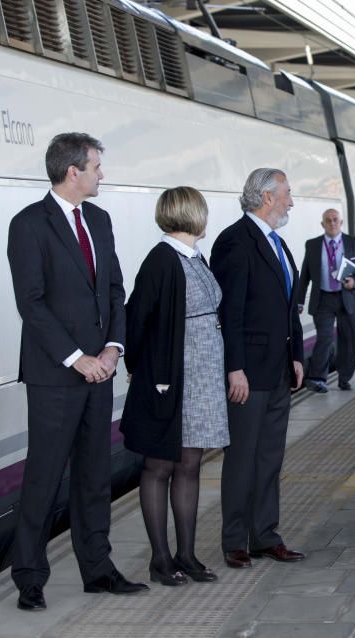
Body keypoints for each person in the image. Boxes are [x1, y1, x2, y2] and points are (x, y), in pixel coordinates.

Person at [6, 132, 147, 611]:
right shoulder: (29, 225)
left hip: (99, 372)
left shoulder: (100, 221)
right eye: (96, 166)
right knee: (43, 477)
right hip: (55, 376)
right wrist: (76, 357)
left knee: (94, 477)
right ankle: (29, 577)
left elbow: (113, 289)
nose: (101, 174)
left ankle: (98, 569)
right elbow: (32, 303)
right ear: (73, 172)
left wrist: (111, 349)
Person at [120, 187, 228, 586]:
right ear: (191, 213)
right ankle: (161, 559)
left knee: (189, 463)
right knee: (160, 465)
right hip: (173, 379)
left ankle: (187, 554)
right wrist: (139, 368)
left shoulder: (196, 256)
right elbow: (137, 318)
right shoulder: (162, 260)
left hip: (200, 380)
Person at [211, 168, 307, 567]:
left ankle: (265, 535)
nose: (290, 200)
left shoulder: (277, 243)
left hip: (279, 370)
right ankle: (235, 540)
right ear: (267, 197)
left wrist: (297, 355)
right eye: (286, 193)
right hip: (248, 373)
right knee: (242, 458)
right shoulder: (235, 242)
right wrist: (235, 368)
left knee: (270, 458)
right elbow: (228, 313)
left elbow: (290, 308)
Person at [297, 208, 355, 393]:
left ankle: (344, 378)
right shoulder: (313, 245)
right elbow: (305, 276)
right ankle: (317, 378)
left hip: (347, 298)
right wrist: (299, 301)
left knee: (348, 339)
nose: (332, 223)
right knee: (323, 337)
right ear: (322, 224)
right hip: (323, 298)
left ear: (341, 223)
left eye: (335, 220)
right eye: (328, 220)